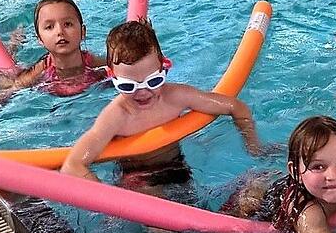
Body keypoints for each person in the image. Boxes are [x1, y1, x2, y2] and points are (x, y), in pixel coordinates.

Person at [59, 19, 259, 190]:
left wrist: (253, 145)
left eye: (153, 81)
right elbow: (73, 165)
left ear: (164, 67)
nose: (143, 92)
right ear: (112, 77)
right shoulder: (116, 117)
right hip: (137, 177)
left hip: (178, 167)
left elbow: (235, 107)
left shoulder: (177, 96)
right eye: (128, 86)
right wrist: (112, 201)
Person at [0, 0, 107, 134]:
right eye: (50, 27)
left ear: (83, 32)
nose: (60, 32)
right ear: (39, 39)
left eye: (68, 24)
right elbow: (1, 96)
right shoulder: (40, 72)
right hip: (39, 84)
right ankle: (14, 43)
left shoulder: (96, 64)